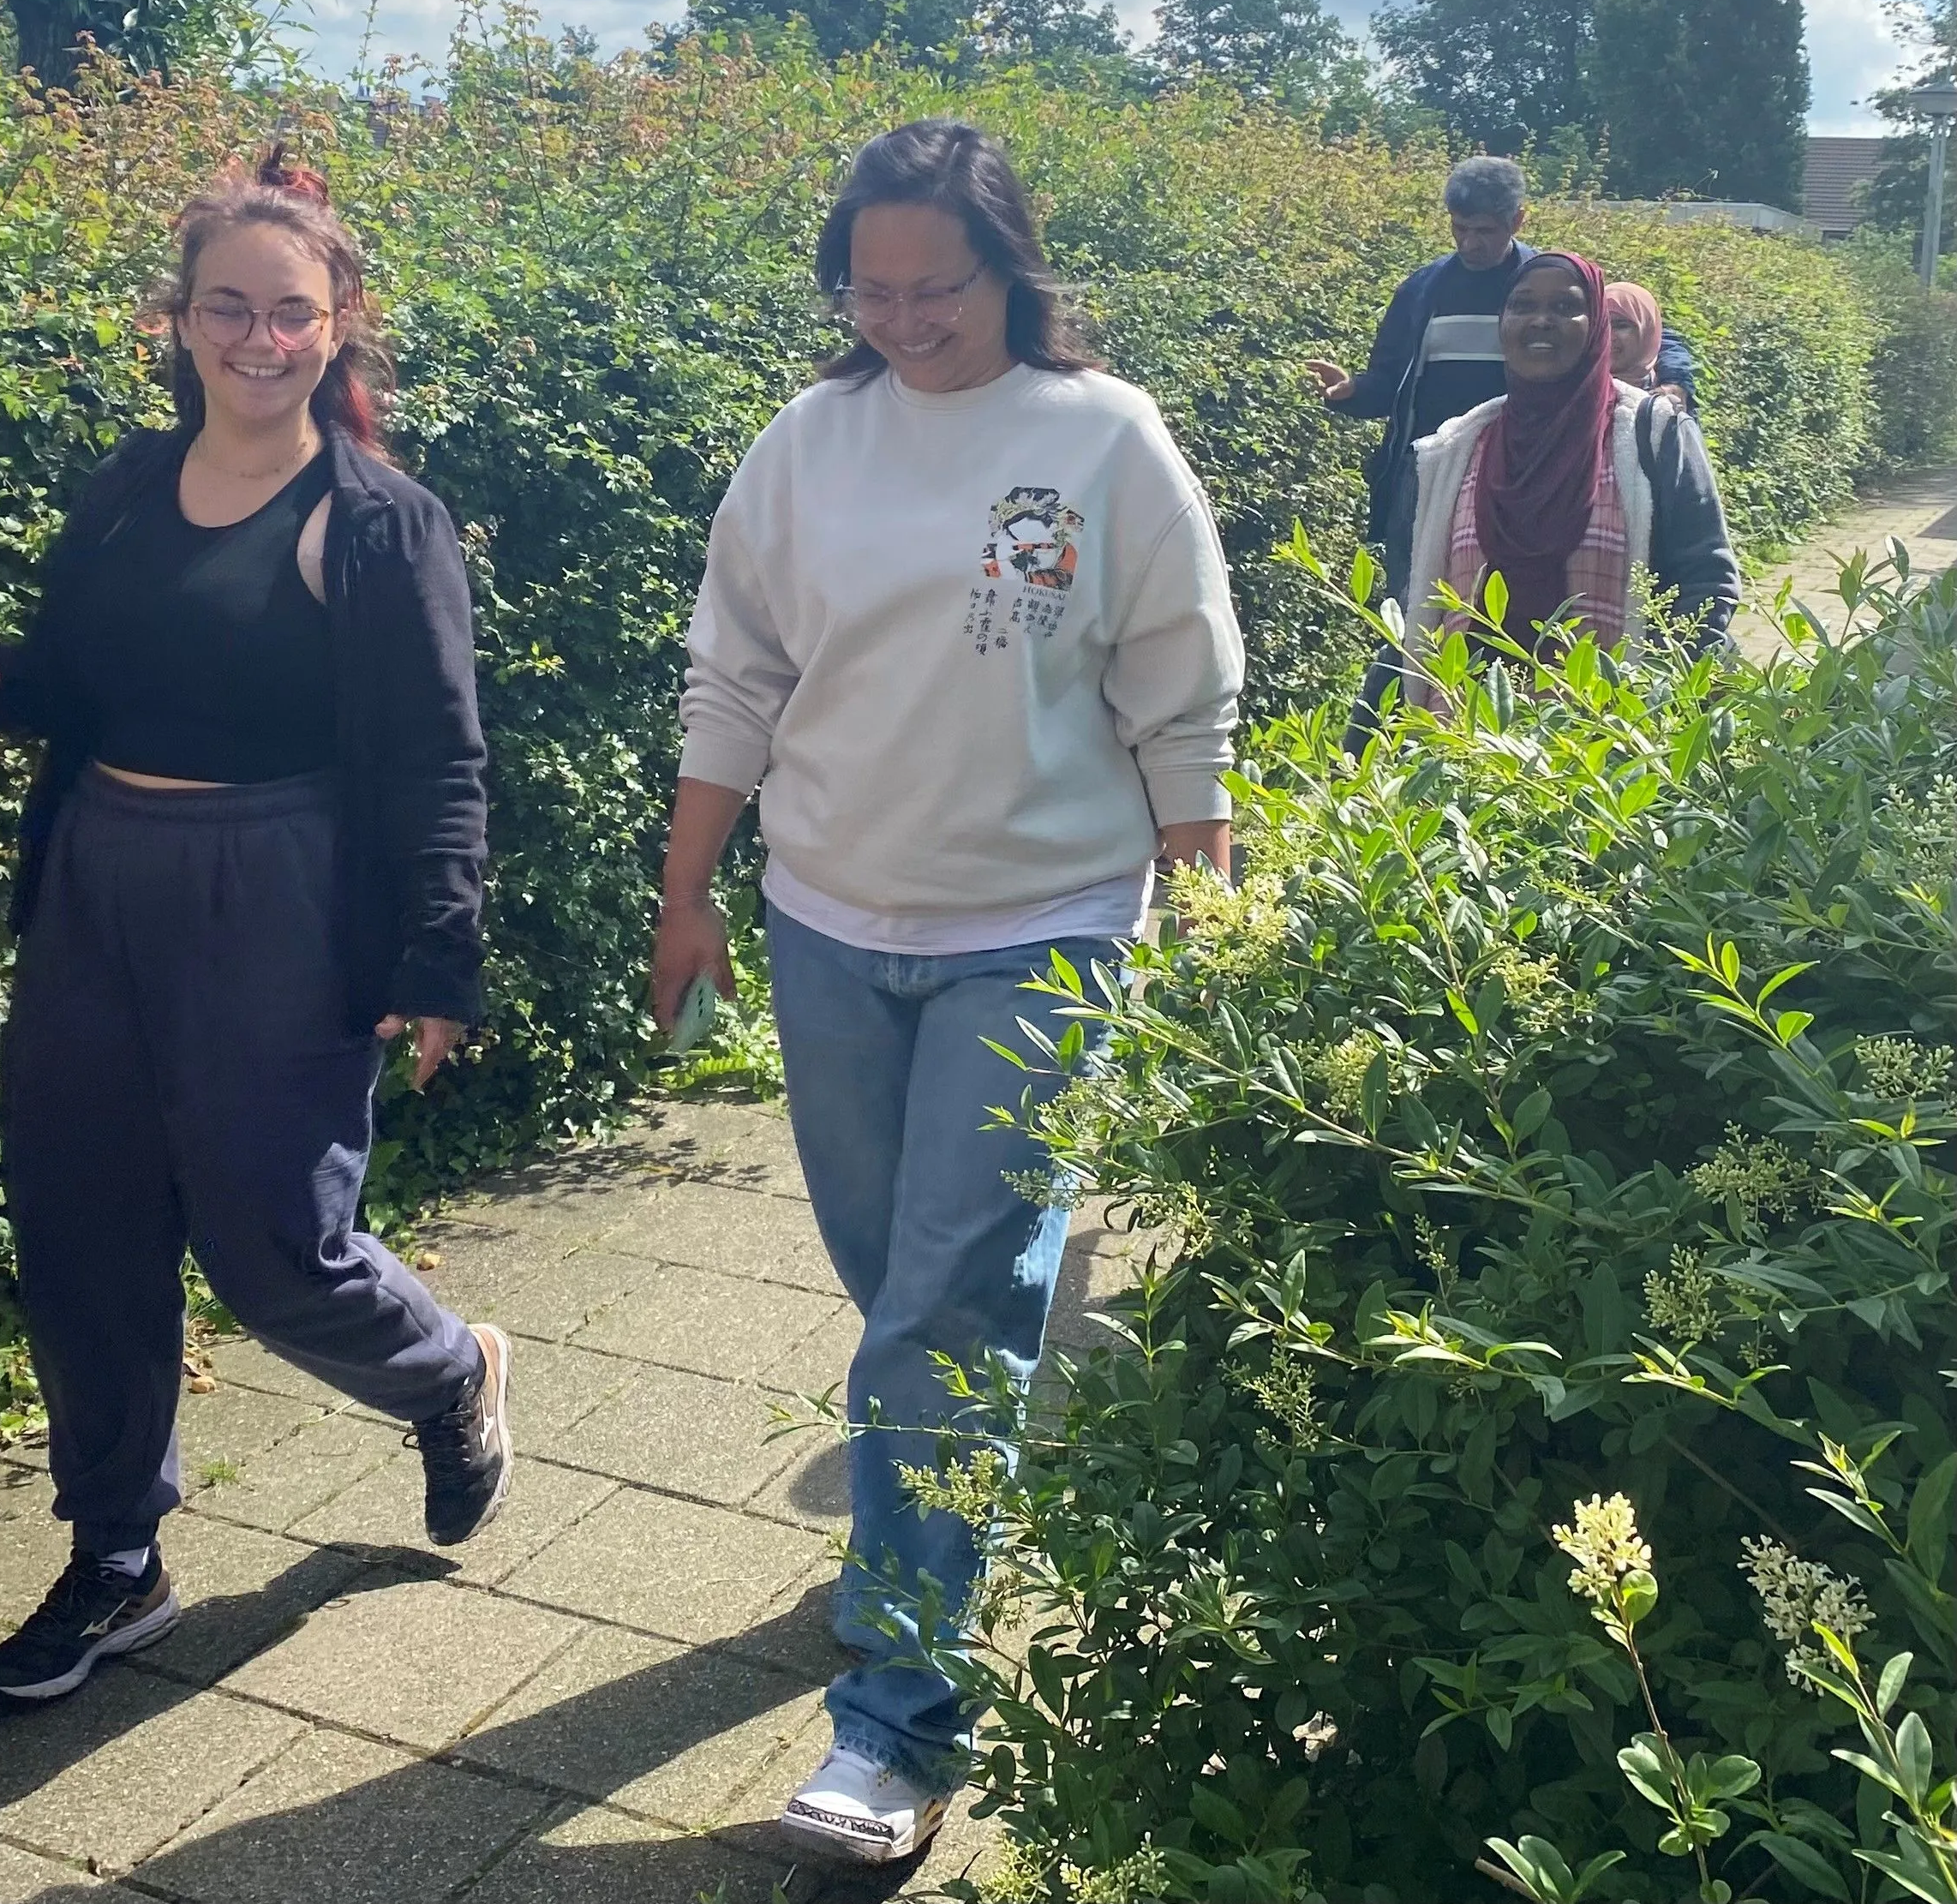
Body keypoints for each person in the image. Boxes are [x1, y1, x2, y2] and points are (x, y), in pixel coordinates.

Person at [650, 120, 1245, 1865]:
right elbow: (735, 673)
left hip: (1042, 919)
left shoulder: (1101, 438)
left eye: (939, 285)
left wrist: (1205, 904)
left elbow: (1177, 686)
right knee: (901, 1278)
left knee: (930, 1317)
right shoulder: (805, 446)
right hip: (830, 917)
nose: (903, 317)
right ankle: (979, 1423)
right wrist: (686, 890)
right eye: (871, 287)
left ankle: (897, 1721)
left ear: (1010, 267)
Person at [0, 148, 513, 1704]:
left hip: (282, 886)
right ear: (178, 321)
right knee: (82, 1221)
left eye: (292, 314)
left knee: (276, 1247)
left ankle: (448, 1372)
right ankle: (117, 1552)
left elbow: (443, 756)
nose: (260, 340)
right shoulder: (126, 488)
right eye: (228, 310)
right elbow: (79, 678)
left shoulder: (382, 524)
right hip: (101, 874)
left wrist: (437, 955)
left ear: (340, 325)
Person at [1305, 157, 1698, 583]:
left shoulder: (1542, 285)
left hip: (1524, 471)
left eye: (1485, 231)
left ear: (1518, 221)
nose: (1470, 243)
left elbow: (1638, 326)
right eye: (1460, 228)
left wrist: (1675, 381)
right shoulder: (1423, 291)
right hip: (1431, 475)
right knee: (1418, 598)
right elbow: (1388, 382)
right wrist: (1352, 391)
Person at [1395, 251, 1739, 700]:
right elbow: (1409, 607)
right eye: (1522, 306)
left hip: (1605, 749)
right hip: (1467, 748)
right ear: (1503, 323)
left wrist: (1653, 709)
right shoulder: (1452, 452)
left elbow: (1706, 580)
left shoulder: (1652, 435)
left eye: (1564, 307)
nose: (1541, 321)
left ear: (1595, 324)